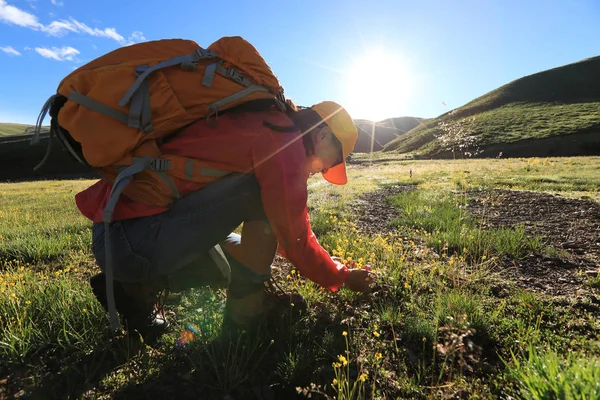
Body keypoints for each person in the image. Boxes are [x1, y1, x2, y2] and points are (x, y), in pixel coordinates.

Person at [80, 99, 375, 340]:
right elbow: (293, 235)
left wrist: (325, 261)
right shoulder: (283, 145)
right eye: (333, 161)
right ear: (322, 135)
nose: (324, 170)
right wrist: (343, 276)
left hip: (119, 234)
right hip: (131, 241)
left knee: (236, 260)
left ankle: (129, 288)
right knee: (259, 195)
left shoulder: (264, 122)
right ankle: (244, 316)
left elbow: (286, 233)